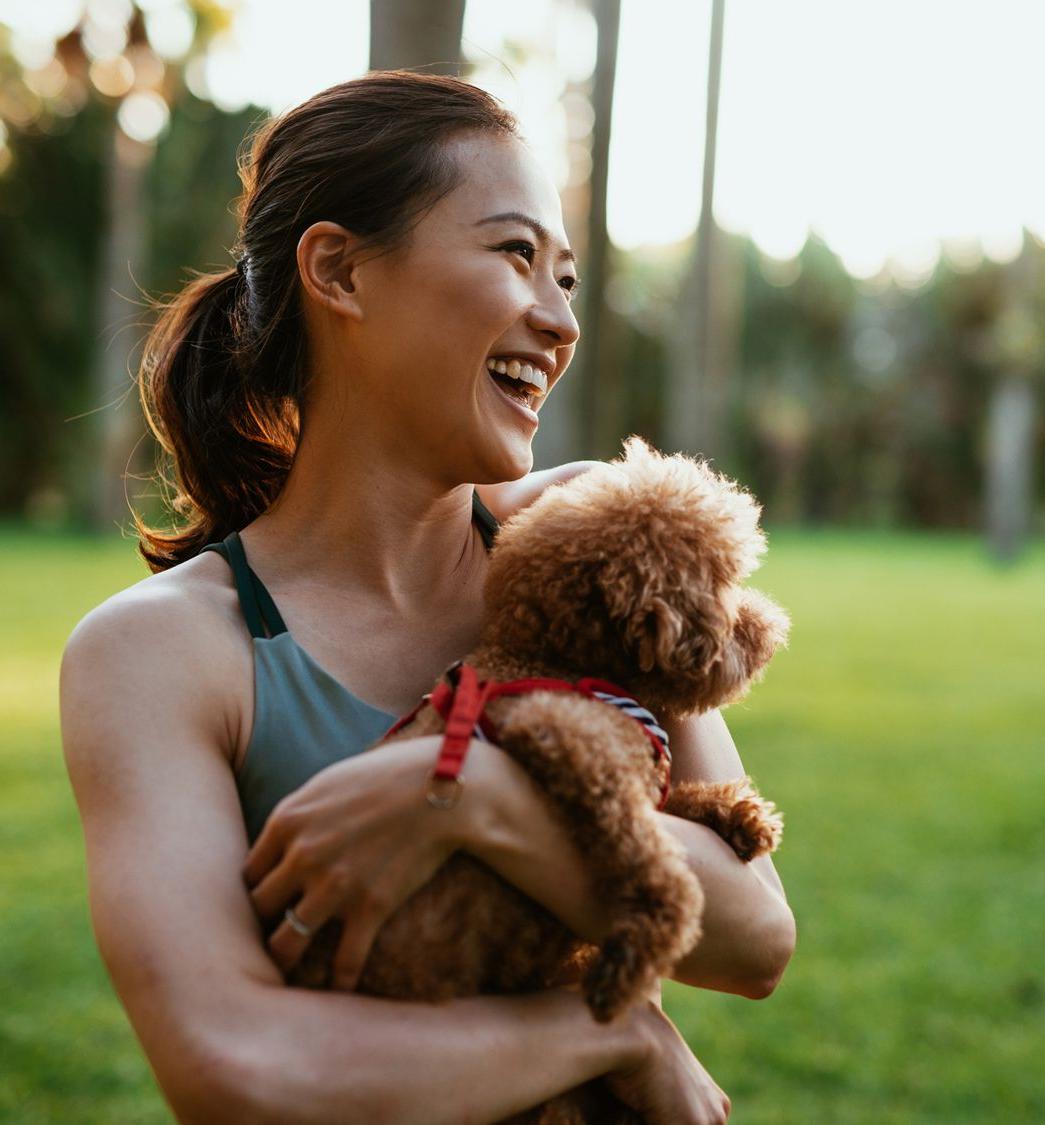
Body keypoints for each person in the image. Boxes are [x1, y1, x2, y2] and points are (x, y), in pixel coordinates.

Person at [59, 71, 794, 1124]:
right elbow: (231, 1065)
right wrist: (610, 1029)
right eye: (515, 254)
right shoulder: (162, 653)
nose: (559, 319)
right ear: (340, 271)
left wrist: (465, 799)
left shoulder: (594, 537)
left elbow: (755, 936)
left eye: (569, 278)